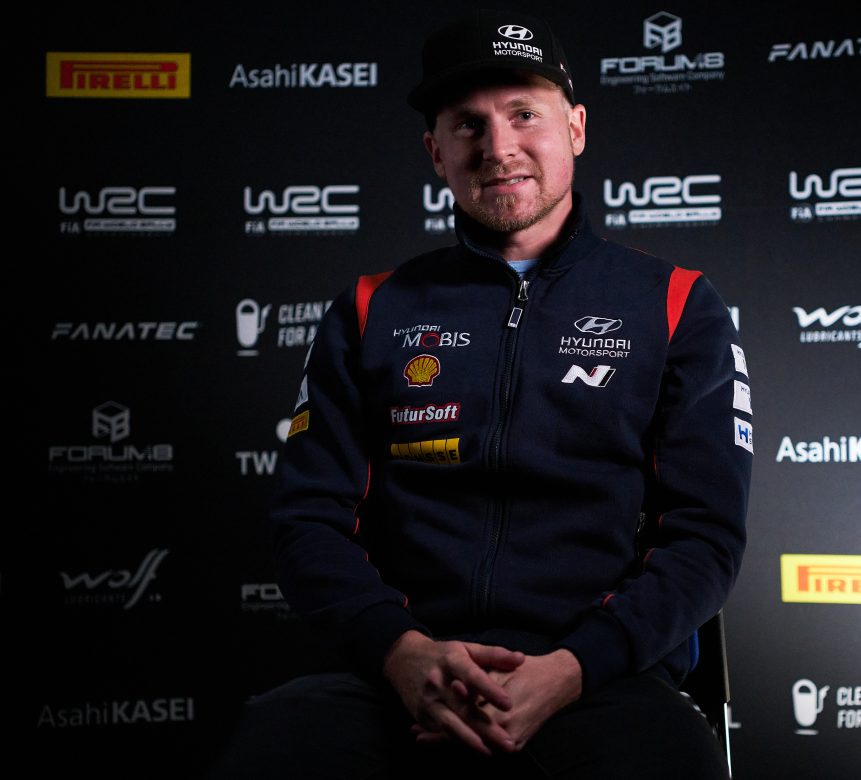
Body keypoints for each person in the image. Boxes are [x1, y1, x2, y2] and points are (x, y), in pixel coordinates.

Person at [210, 9, 751, 779]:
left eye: (524, 114)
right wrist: (403, 654)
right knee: (272, 747)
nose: (498, 148)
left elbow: (704, 539)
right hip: (400, 677)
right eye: (468, 124)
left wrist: (573, 667)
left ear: (576, 129)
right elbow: (308, 524)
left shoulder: (676, 304)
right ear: (436, 151)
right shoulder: (370, 309)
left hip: (597, 679)